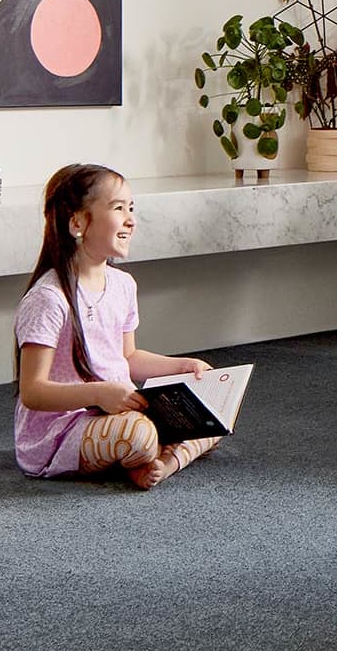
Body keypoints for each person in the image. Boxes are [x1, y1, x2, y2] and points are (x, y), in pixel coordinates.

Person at [13, 163, 219, 487]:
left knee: (214, 416)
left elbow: (129, 358)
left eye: (132, 208)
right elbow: (32, 392)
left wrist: (183, 366)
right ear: (78, 222)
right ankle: (148, 454)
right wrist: (101, 393)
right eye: (118, 208)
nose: (131, 219)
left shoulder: (124, 285)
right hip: (64, 430)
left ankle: (160, 465)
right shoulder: (49, 298)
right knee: (139, 435)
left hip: (116, 414)